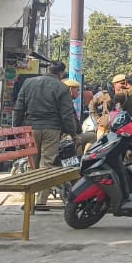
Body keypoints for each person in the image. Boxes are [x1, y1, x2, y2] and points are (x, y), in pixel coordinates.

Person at [12, 60, 80, 210]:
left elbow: (19, 107)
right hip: (52, 129)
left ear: (48, 69)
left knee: (32, 165)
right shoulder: (62, 87)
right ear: (61, 73)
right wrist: (73, 134)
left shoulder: (29, 83)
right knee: (46, 165)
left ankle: (28, 201)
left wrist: (16, 128)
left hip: (31, 128)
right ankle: (41, 202)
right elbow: (67, 115)